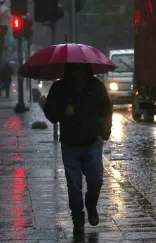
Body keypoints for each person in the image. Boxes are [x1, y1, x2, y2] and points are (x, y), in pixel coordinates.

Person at [43, 63, 112, 235]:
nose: (78, 72)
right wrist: (63, 112)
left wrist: (103, 134)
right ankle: (78, 219)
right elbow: (50, 112)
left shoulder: (96, 86)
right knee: (74, 186)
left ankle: (91, 204)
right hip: (70, 144)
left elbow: (106, 110)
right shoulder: (60, 88)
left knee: (96, 180)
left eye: (81, 68)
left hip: (92, 143)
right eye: (74, 69)